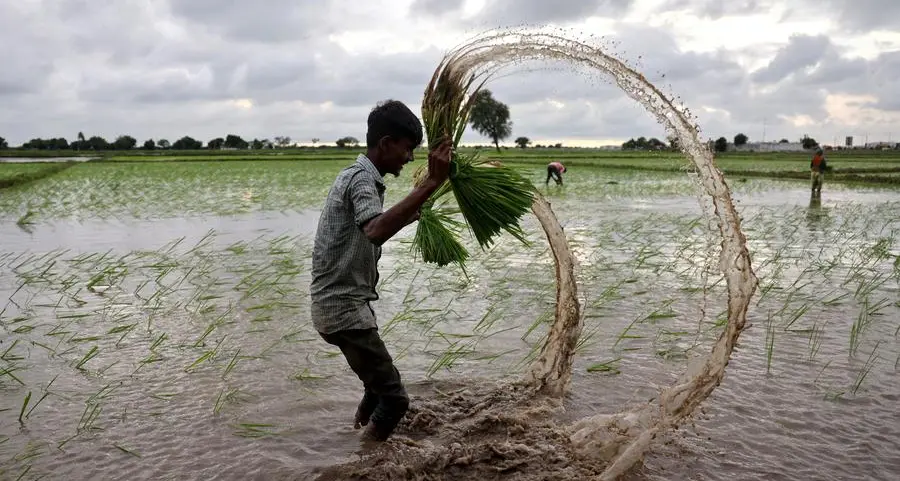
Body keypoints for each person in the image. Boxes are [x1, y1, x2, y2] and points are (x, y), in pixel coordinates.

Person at [309, 99, 451, 443]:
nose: (410, 158)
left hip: (343, 308)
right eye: (407, 149)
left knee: (375, 389)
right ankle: (365, 462)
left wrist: (416, 210)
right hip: (343, 311)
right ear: (386, 144)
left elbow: (370, 230)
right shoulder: (360, 180)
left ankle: (353, 435)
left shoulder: (360, 178)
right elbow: (375, 230)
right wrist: (430, 183)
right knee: (395, 399)